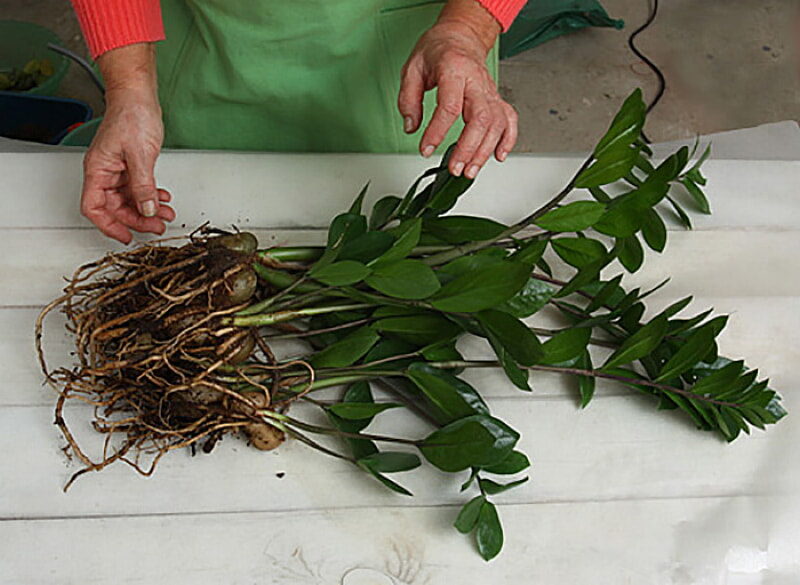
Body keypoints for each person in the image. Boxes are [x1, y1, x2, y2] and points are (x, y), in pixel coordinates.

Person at [70, 0, 526, 243]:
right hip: (209, 58)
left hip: (406, 69)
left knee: (398, 239)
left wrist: (467, 30)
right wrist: (129, 88)